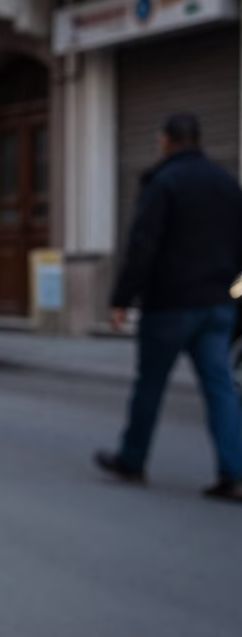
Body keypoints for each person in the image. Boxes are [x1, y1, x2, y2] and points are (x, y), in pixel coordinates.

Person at [96, 113, 242, 503]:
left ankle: (132, 460)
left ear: (165, 140)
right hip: (218, 304)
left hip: (171, 304)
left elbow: (143, 244)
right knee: (221, 388)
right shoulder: (227, 183)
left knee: (150, 384)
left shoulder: (164, 182)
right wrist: (235, 294)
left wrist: (121, 299)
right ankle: (235, 473)